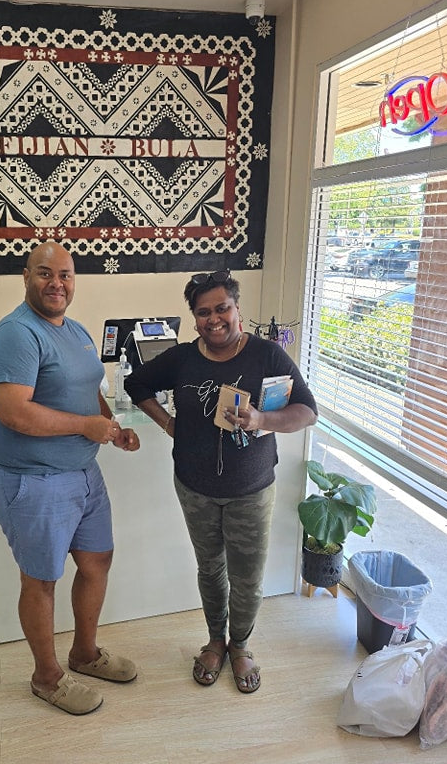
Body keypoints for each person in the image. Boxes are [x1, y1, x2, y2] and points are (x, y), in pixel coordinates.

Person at [124, 269, 317, 693]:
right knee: (210, 569)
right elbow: (136, 383)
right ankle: (215, 640)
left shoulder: (267, 355)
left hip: (251, 489)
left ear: (237, 309)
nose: (214, 319)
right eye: (203, 312)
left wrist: (262, 419)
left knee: (247, 577)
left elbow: (307, 411)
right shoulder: (182, 358)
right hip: (195, 488)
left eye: (222, 308)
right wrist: (169, 423)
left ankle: (240, 646)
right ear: (194, 318)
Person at [0, 241, 141, 715]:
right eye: (45, 273)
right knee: (42, 580)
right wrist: (83, 427)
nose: (57, 284)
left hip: (83, 473)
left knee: (97, 562)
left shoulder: (76, 331)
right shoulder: (16, 334)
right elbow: (13, 412)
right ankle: (46, 677)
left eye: (65, 275)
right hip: (33, 480)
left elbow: (89, 389)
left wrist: (110, 428)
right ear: (26, 277)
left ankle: (84, 654)